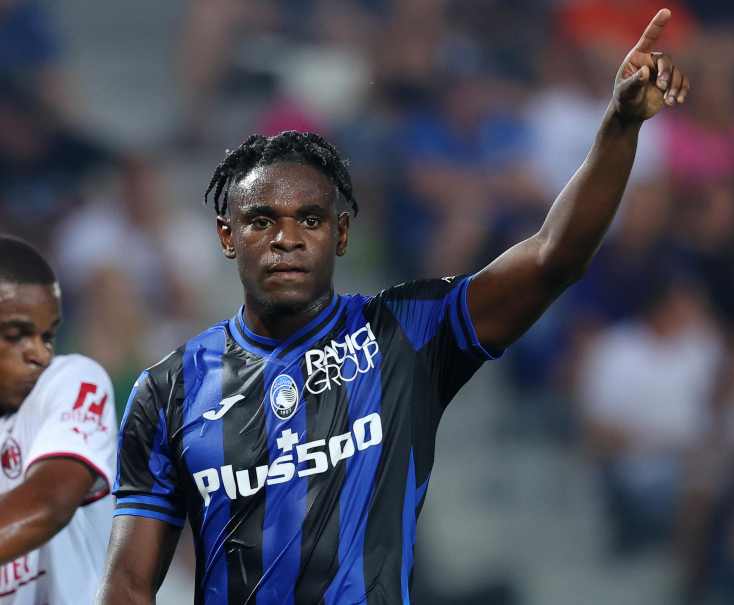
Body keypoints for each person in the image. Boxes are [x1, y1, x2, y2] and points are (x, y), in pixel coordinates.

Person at [98, 10, 689, 605]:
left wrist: (619, 126)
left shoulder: (403, 334)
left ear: (341, 234)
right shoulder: (169, 391)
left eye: (310, 219)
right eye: (261, 221)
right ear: (227, 237)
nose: (287, 239)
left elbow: (553, 257)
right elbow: (127, 583)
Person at [0, 235, 116, 604]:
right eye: (17, 335)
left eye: (48, 335)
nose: (40, 353)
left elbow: (48, 503)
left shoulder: (71, 381)